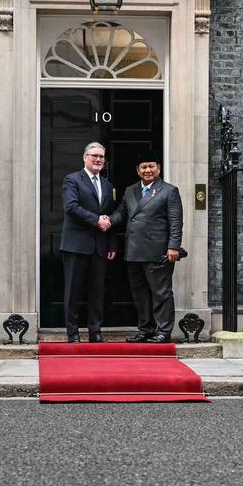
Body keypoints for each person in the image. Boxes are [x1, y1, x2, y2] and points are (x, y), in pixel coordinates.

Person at [108, 154, 183, 344]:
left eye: (151, 166)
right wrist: (107, 220)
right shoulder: (131, 190)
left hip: (157, 252)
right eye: (143, 167)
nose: (147, 170)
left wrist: (173, 246)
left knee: (161, 293)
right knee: (139, 294)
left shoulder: (169, 191)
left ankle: (163, 331)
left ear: (158, 168)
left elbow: (175, 221)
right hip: (134, 251)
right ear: (137, 170)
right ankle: (145, 329)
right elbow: (121, 213)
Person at [59, 142, 116, 343]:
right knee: (73, 291)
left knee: (97, 291)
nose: (99, 159)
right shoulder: (72, 180)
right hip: (75, 245)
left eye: (101, 156)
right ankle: (72, 333)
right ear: (85, 158)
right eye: (94, 156)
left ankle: (95, 331)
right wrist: (95, 220)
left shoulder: (108, 185)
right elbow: (71, 207)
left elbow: (109, 216)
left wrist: (111, 245)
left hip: (100, 247)